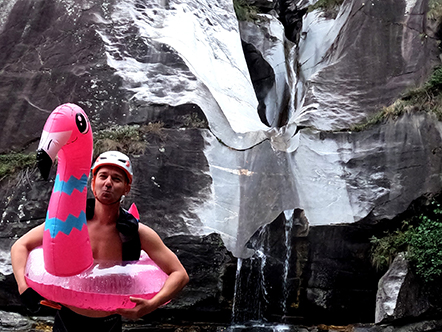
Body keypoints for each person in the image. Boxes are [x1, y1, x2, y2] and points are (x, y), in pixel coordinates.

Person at [11, 151, 189, 332]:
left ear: (127, 188)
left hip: (108, 322)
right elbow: (20, 245)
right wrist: (23, 287)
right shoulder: (68, 222)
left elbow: (180, 274)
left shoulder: (137, 233)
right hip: (67, 318)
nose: (108, 183)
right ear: (93, 182)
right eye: (103, 176)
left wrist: (151, 305)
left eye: (117, 179)